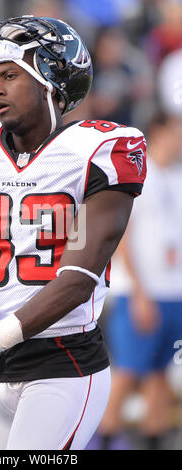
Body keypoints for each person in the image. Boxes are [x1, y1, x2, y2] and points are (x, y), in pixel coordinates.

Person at [0, 15, 147, 450]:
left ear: (51, 78)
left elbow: (77, 279)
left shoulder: (96, 152)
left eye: (10, 75)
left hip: (65, 362)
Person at [99, 110, 182, 450]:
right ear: (159, 131)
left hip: (174, 292)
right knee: (128, 373)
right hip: (141, 294)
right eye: (176, 131)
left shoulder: (177, 176)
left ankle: (154, 441)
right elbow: (123, 238)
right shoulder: (136, 177)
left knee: (160, 378)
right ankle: (101, 440)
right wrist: (139, 293)